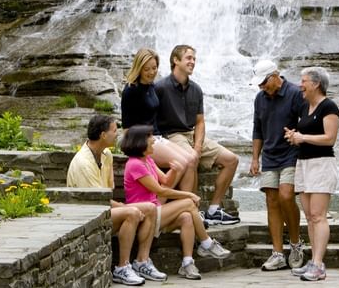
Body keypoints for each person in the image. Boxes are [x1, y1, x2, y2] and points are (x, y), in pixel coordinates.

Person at [121, 125, 232, 280]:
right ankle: (206, 243)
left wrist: (175, 170)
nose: (154, 140)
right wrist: (188, 194)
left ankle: (187, 263)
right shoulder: (135, 164)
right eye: (150, 137)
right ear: (140, 142)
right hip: (145, 216)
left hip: (157, 212)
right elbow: (161, 191)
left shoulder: (148, 160)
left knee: (187, 216)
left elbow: (165, 181)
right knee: (188, 203)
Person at [67, 115, 166, 286]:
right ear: (103, 135)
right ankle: (122, 267)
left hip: (104, 208)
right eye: (114, 131)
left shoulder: (106, 154)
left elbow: (108, 192)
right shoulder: (84, 162)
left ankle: (142, 262)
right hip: (87, 216)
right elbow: (97, 200)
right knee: (132, 212)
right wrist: (122, 207)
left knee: (150, 207)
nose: (118, 134)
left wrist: (120, 206)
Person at [154, 44, 240, 225]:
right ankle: (194, 209)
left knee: (231, 160)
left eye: (194, 59)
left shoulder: (196, 89)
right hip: (172, 135)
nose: (192, 62)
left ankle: (214, 210)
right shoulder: (160, 87)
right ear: (175, 60)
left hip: (191, 134)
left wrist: (198, 146)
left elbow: (200, 122)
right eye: (188, 58)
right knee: (190, 159)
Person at [249, 59, 306, 271]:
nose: (261, 87)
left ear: (275, 76)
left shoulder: (294, 93)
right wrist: (255, 158)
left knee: (285, 196)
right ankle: (277, 253)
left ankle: (296, 244)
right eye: (259, 84)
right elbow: (258, 129)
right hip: (270, 155)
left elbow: (307, 121)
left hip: (292, 154)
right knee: (271, 200)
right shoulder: (259, 98)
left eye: (264, 83)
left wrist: (300, 137)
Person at [284, 67, 339, 281]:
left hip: (321, 165)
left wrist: (303, 137)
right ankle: (313, 262)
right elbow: (306, 135)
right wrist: (295, 136)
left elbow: (330, 138)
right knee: (309, 217)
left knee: (318, 216)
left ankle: (318, 264)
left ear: (316, 84)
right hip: (304, 164)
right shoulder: (307, 107)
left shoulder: (329, 106)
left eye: (304, 81)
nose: (301, 85)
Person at [121, 48, 197, 192]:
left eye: (154, 68)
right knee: (181, 163)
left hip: (157, 137)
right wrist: (140, 150)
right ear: (139, 68)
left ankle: (187, 206)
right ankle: (159, 207)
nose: (151, 72)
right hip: (142, 141)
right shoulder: (131, 91)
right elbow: (126, 128)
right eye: (146, 69)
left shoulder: (151, 86)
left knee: (191, 160)